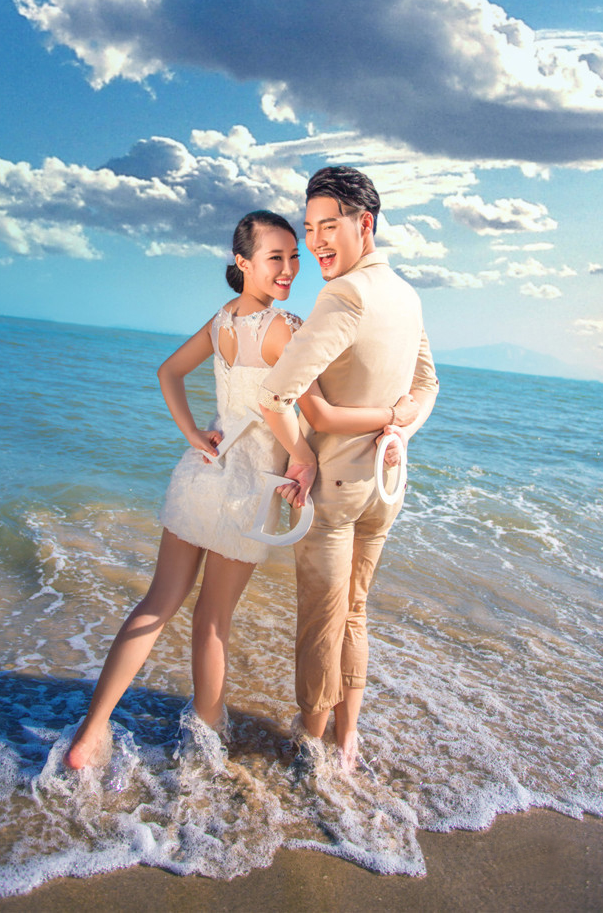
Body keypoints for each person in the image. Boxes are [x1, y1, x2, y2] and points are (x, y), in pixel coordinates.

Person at [64, 209, 417, 771]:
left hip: (200, 473)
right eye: (275, 258)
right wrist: (314, 453)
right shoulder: (286, 327)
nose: (289, 268)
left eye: (293, 256)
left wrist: (193, 435)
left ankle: (90, 732)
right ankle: (205, 736)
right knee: (213, 618)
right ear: (243, 262)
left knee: (156, 603)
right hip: (246, 492)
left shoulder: (221, 321)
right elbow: (299, 410)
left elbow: (167, 373)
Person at [258, 166, 439, 772]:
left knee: (320, 621)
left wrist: (303, 456)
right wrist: (398, 430)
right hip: (386, 485)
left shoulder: (345, 294)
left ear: (365, 223)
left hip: (335, 488)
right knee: (354, 611)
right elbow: (428, 386)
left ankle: (310, 746)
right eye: (309, 228)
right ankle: (348, 740)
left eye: (328, 226)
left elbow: (275, 395)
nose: (316, 242)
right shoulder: (407, 295)